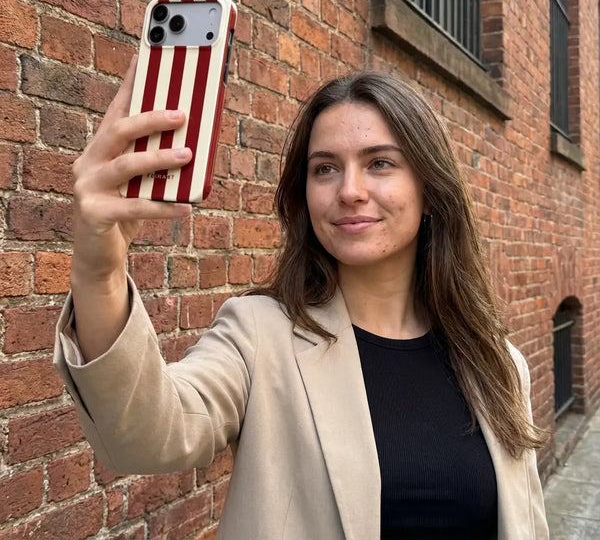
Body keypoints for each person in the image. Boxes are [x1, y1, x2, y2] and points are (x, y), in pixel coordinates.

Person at [54, 60, 549, 539]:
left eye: (379, 163)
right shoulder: (259, 334)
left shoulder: (498, 363)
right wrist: (99, 274)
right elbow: (144, 435)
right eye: (325, 169)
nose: (349, 191)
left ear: (430, 189)